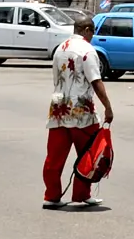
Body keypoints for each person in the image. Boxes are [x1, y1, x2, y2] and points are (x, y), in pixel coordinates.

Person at [44, 14, 113, 208]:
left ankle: (51, 195)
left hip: (58, 107)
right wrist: (108, 107)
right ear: (87, 30)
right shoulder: (87, 50)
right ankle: (82, 193)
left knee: (54, 156)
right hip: (81, 109)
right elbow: (96, 81)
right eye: (92, 32)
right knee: (88, 153)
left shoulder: (60, 48)